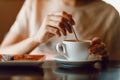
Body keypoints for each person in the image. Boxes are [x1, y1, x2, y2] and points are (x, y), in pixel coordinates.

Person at [0, 0, 120, 60]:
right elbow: (2, 53)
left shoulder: (110, 14)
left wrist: (103, 59)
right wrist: (36, 39)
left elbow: (115, 64)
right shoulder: (35, 3)